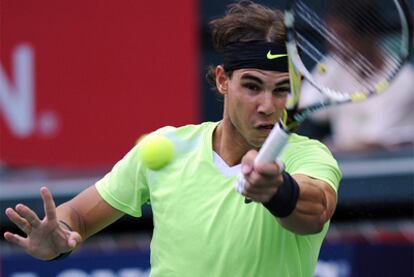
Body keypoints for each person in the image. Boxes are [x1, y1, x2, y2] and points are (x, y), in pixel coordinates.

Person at [4, 1, 341, 276]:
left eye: (282, 90)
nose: (267, 106)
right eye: (252, 86)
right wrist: (58, 237)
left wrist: (278, 191)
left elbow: (315, 211)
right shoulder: (170, 146)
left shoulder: (309, 157)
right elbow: (76, 217)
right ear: (223, 80)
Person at [298, 0, 414, 153]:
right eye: (331, 36)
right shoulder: (333, 65)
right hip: (340, 165)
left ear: (368, 36)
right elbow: (304, 107)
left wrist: (322, 150)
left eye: (342, 37)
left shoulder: (405, 80)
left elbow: (371, 144)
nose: (333, 45)